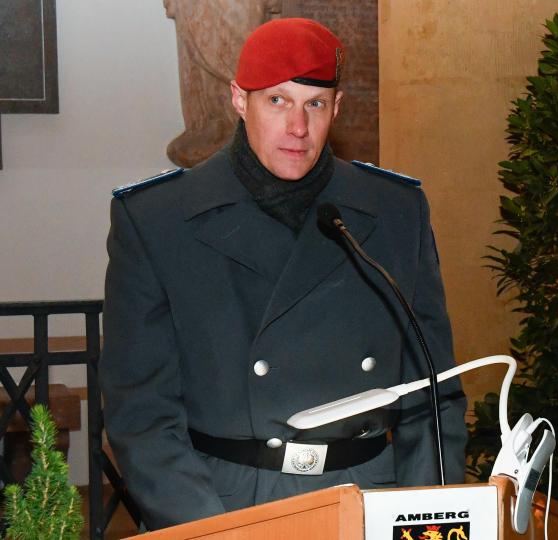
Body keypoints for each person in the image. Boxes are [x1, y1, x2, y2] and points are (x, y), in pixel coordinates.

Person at [100, 18, 466, 530]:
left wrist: (428, 525)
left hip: (365, 503)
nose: (298, 126)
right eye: (277, 100)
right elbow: (142, 416)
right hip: (221, 507)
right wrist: (214, 533)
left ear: (336, 108)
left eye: (315, 104)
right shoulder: (159, 221)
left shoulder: (395, 212)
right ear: (239, 99)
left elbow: (432, 399)